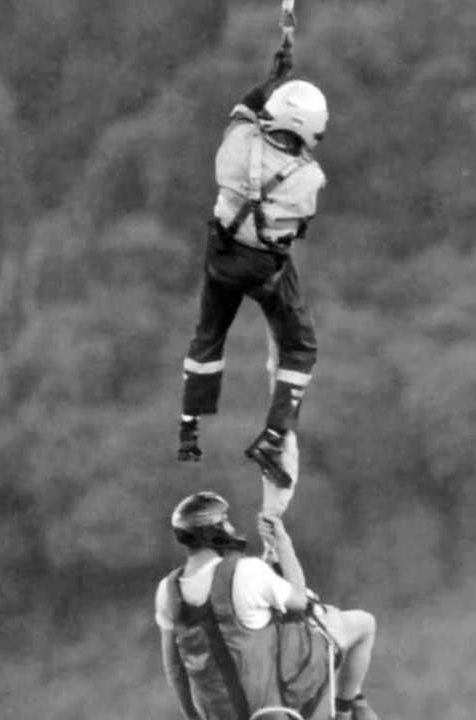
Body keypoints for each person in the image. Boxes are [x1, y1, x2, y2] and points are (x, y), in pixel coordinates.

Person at [177, 41, 328, 490]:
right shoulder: (309, 178)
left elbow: (246, 105)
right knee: (300, 347)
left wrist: (274, 76)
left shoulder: (238, 139)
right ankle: (273, 434)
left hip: (220, 255)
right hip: (264, 268)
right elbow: (299, 226)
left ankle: (189, 427)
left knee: (208, 335)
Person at [156, 491, 380, 720]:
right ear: (212, 530)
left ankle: (351, 704)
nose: (231, 528)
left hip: (218, 715)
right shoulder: (246, 570)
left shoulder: (167, 590)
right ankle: (346, 708)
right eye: (225, 522)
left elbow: (174, 669)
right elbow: (300, 600)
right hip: (270, 708)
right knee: (364, 623)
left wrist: (193, 716)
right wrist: (284, 545)